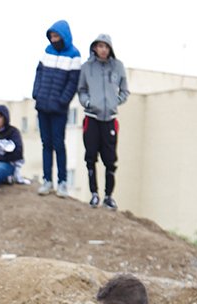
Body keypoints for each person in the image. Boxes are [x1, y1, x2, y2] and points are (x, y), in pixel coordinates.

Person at [77, 34, 129, 210]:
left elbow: (125, 90)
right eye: (100, 46)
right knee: (91, 156)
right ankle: (94, 193)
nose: (103, 49)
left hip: (110, 120)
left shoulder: (118, 67)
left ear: (110, 48)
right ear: (94, 48)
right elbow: (82, 90)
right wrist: (89, 103)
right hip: (92, 118)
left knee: (110, 159)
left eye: (106, 46)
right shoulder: (86, 68)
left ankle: (108, 196)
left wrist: (116, 101)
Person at [32, 20, 82, 198]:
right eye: (51, 36)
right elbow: (39, 73)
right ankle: (47, 180)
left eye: (56, 36)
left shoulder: (74, 55)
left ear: (64, 36)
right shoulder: (47, 52)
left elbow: (73, 82)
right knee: (46, 144)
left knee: (58, 144)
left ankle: (62, 182)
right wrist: (36, 93)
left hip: (59, 109)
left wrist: (63, 101)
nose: (53, 39)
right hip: (43, 106)